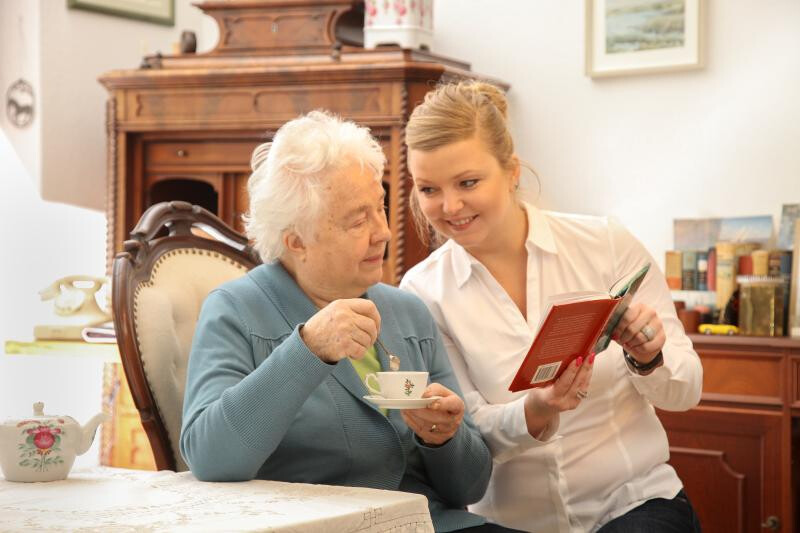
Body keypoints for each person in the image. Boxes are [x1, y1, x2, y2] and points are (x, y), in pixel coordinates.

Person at [179, 110, 523, 533]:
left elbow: (470, 485)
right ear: (296, 240)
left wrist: (444, 437)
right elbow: (211, 458)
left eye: (380, 207)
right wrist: (307, 350)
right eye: (358, 220)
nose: (383, 232)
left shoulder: (408, 311)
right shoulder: (236, 309)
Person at [399, 82, 703, 533]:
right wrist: (535, 411)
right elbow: (470, 430)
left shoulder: (605, 245)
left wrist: (648, 357)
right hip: (509, 522)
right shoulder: (422, 292)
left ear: (512, 171)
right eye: (429, 189)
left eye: (468, 182)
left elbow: (687, 391)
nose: (449, 206)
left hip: (635, 503)